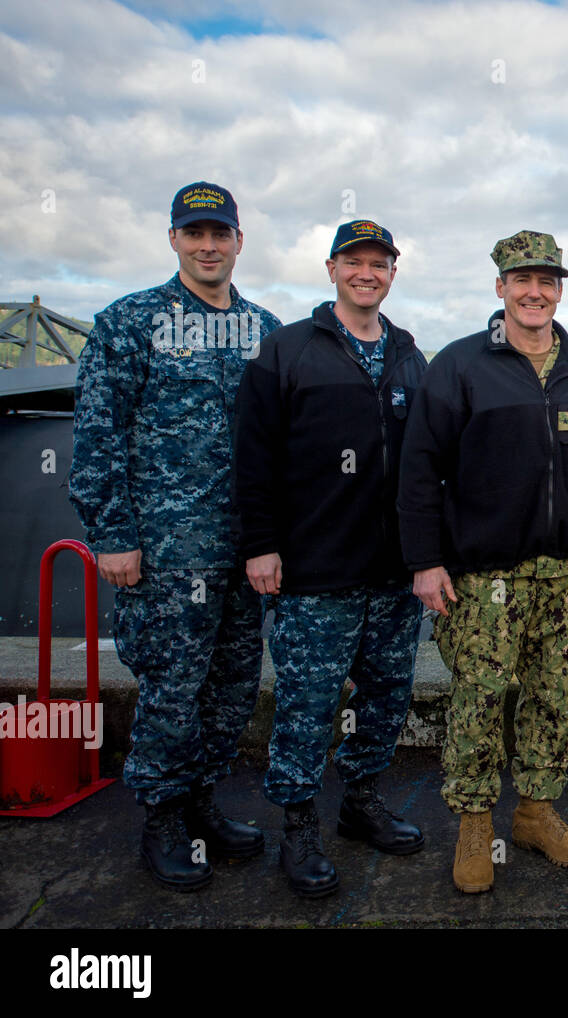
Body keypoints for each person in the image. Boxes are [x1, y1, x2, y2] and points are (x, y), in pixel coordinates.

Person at [69, 182, 282, 890]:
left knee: (230, 687)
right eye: (194, 234)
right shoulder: (129, 323)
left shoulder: (265, 330)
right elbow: (98, 436)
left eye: (220, 233)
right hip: (164, 553)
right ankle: (161, 817)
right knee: (171, 686)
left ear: (239, 241)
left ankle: (200, 803)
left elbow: (286, 444)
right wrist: (113, 534)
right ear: (174, 241)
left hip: (245, 555)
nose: (208, 246)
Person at [398, 230, 568, 894]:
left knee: (551, 696)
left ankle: (535, 812)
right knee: (480, 698)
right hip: (484, 573)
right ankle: (472, 825)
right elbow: (419, 469)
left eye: (547, 280)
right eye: (522, 280)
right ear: (500, 287)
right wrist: (426, 562)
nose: (534, 291)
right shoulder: (461, 365)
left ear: (559, 289)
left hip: (561, 572)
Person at [234, 220, 428, 897]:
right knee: (307, 707)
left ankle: (360, 803)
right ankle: (297, 827)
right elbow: (253, 457)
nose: (366, 273)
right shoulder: (287, 350)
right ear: (331, 268)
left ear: (392, 274)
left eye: (379, 263)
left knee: (384, 699)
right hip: (315, 572)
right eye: (355, 261)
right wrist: (260, 545)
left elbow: (425, 464)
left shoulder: (408, 355)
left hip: (393, 573)